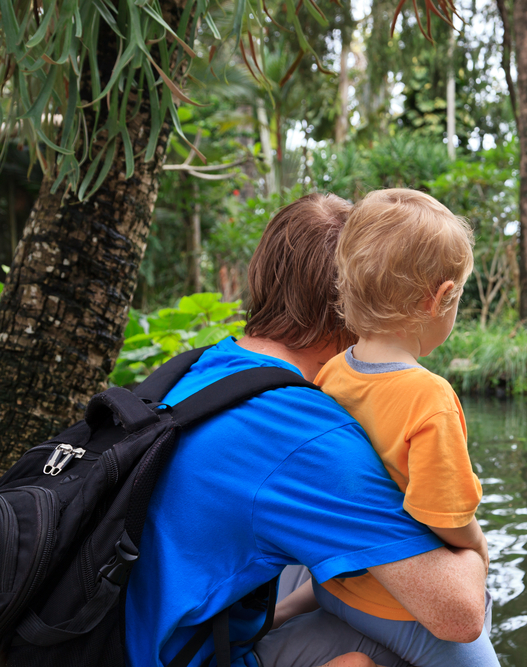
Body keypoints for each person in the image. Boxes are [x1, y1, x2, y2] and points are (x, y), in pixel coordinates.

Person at [124, 192, 487, 667]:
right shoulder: (302, 434)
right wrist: (477, 549)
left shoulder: (209, 367)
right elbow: (460, 616)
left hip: (141, 629)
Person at [281, 189, 499, 666]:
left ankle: (286, 611)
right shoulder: (430, 398)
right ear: (440, 298)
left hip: (337, 585)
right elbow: (443, 518)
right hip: (399, 610)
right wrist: (480, 547)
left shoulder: (332, 373)